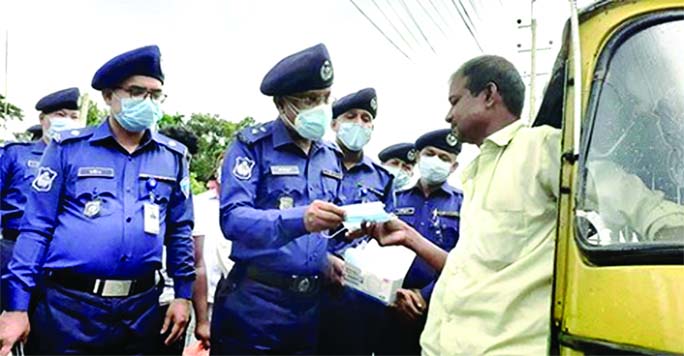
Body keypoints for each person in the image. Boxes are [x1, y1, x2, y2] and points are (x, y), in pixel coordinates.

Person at [0, 45, 195, 355]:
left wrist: (183, 295)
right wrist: (16, 307)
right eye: (136, 92)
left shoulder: (172, 157)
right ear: (108, 96)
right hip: (70, 309)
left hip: (141, 309)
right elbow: (36, 228)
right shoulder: (68, 149)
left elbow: (180, 231)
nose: (147, 102)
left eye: (155, 95)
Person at [212, 43, 346, 354]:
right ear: (281, 103)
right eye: (310, 99)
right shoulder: (251, 146)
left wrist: (328, 257)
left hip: (309, 306)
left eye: (326, 98)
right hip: (257, 303)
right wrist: (300, 219)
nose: (321, 108)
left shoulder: (330, 156)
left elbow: (327, 228)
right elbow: (233, 219)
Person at [317, 87, 394, 355]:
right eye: (351, 116)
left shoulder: (383, 178)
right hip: (308, 288)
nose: (360, 124)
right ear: (334, 123)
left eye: (366, 118)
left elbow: (385, 238)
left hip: (355, 296)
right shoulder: (312, 162)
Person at [376, 129, 463, 355]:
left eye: (445, 158)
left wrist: (424, 297)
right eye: (430, 154)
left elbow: (465, 259)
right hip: (394, 306)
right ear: (418, 157)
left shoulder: (463, 203)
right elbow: (378, 250)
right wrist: (395, 295)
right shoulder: (395, 199)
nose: (436, 161)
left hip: (440, 308)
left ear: (454, 167)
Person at [0, 87, 82, 311]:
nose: (68, 121)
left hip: (61, 255)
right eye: (60, 115)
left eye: (74, 117)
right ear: (43, 119)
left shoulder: (82, 161)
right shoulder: (15, 154)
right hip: (14, 248)